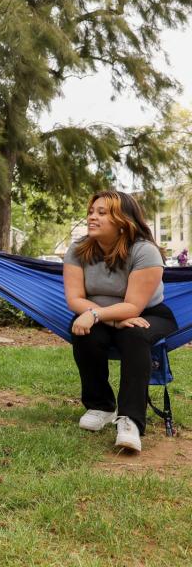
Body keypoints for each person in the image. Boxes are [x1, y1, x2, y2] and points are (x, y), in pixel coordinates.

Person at [63, 191, 176, 452]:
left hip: (149, 313)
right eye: (91, 211)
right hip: (99, 313)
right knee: (83, 331)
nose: (92, 217)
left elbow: (133, 306)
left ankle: (130, 420)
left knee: (134, 335)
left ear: (123, 220)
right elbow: (75, 298)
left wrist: (96, 315)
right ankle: (99, 406)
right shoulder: (78, 249)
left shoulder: (145, 251)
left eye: (102, 213)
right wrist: (102, 318)